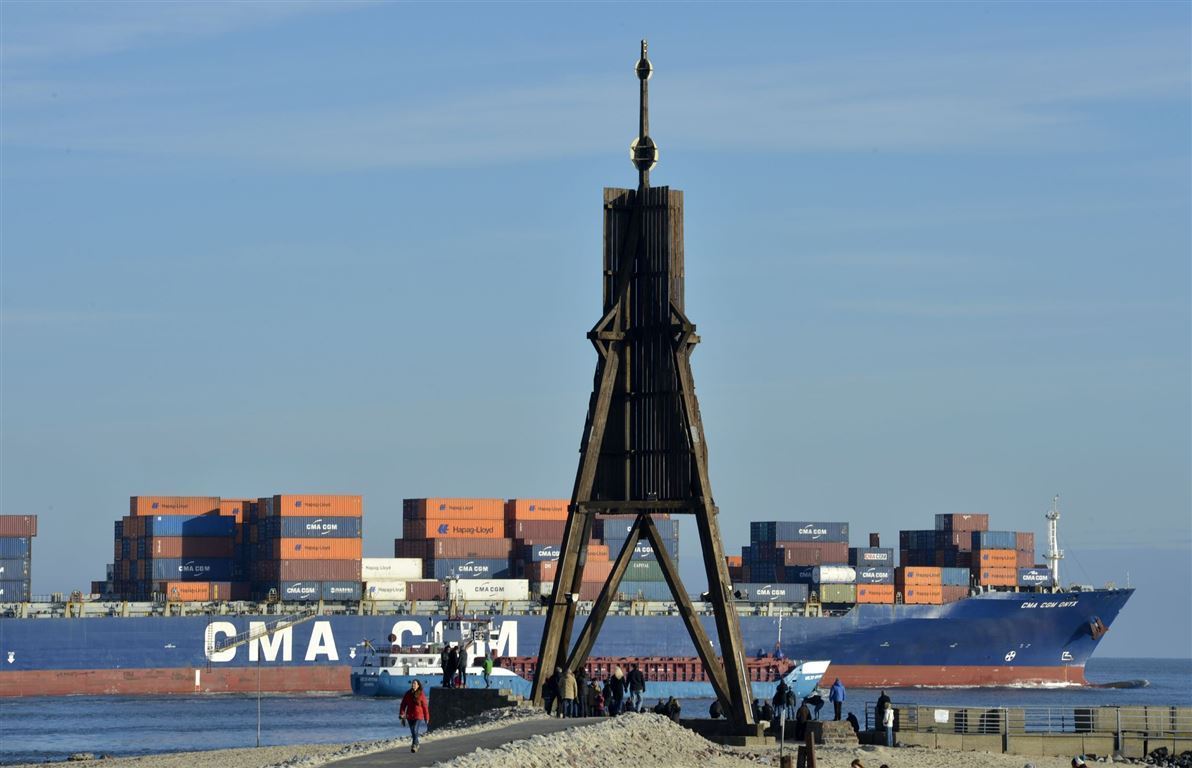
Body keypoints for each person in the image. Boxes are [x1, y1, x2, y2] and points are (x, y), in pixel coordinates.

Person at [398, 679, 429, 753]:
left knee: (415, 729)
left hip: (418, 716)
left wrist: (426, 717)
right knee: (413, 731)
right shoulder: (408, 693)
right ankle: (416, 743)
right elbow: (403, 704)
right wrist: (402, 713)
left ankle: (414, 745)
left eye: (415, 683)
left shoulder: (421, 694)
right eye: (412, 683)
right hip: (409, 716)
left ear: (418, 685)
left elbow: (425, 706)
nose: (413, 685)